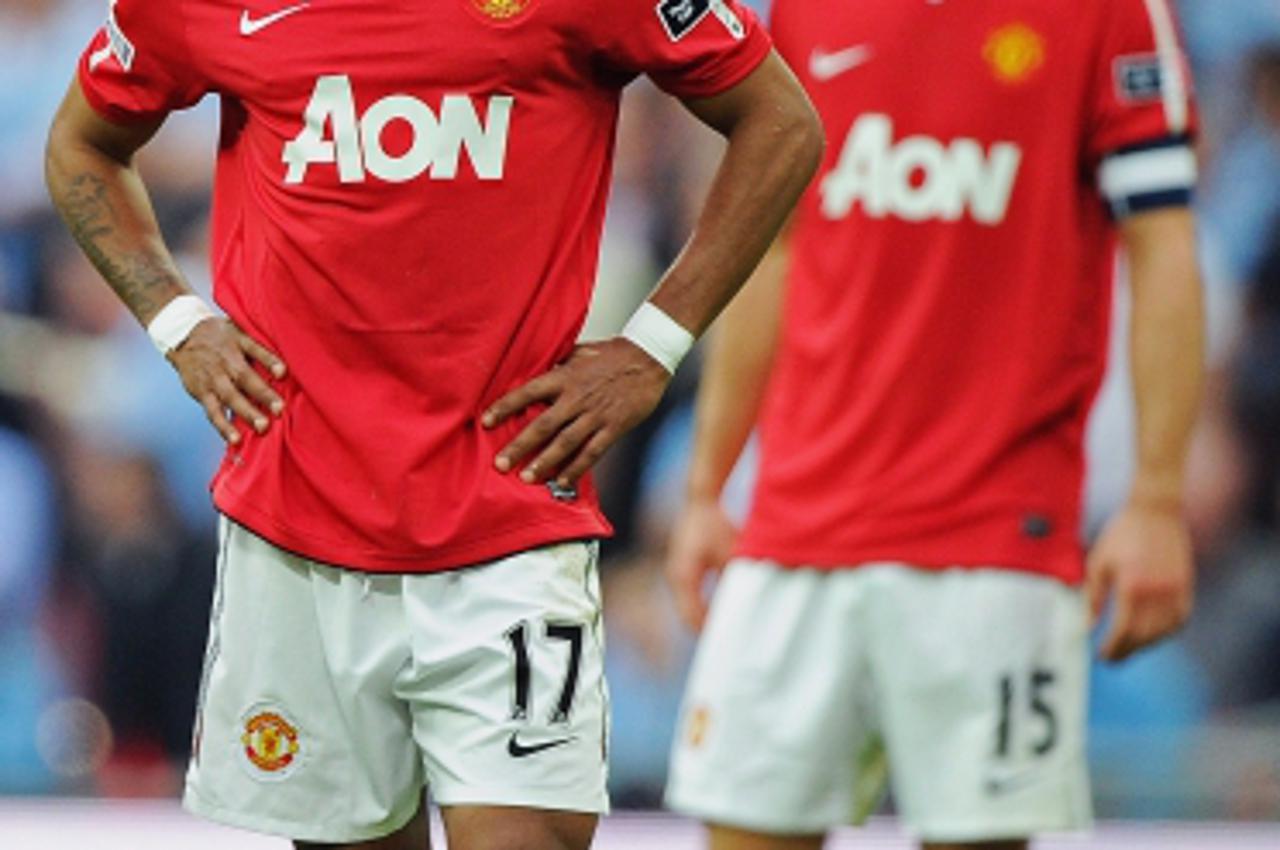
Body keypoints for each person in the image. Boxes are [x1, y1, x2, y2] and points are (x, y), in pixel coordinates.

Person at [44, 0, 822, 847]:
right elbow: (82, 141)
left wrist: (654, 344)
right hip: (298, 523)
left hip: (511, 508)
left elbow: (780, 122)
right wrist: (175, 320)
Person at [665, 1, 1203, 849]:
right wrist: (706, 486)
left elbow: (1164, 243)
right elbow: (775, 246)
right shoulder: (806, 11)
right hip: (794, 529)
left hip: (991, 540)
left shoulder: (1110, 13)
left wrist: (1157, 500)